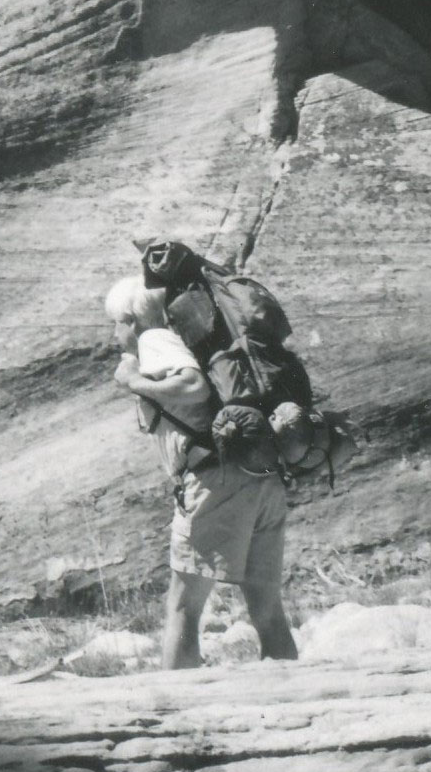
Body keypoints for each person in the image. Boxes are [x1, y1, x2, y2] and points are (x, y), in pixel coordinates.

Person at [113, 239, 302, 670]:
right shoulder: (196, 338)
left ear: (129, 319)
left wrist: (133, 382)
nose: (114, 335)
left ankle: (175, 721)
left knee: (182, 607)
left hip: (216, 482)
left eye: (116, 324)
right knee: (266, 606)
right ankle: (289, 697)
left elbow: (193, 387)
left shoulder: (155, 339)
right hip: (262, 471)